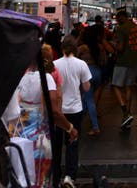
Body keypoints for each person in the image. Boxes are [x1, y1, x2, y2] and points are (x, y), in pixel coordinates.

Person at [15, 47, 76, 188]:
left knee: (24, 178)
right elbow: (54, 112)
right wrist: (70, 128)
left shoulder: (22, 78)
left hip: (20, 137)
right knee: (40, 179)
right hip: (39, 138)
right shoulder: (46, 79)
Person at [53, 39, 92, 188]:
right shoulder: (81, 64)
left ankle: (55, 176)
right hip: (75, 109)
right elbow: (87, 87)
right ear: (75, 49)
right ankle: (70, 176)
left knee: (56, 144)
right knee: (72, 143)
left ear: (62, 48)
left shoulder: (55, 64)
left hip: (59, 110)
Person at [108, 10, 137, 129]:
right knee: (128, 87)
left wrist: (112, 44)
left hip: (122, 61)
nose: (116, 20)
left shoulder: (121, 29)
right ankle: (128, 114)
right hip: (134, 61)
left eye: (117, 18)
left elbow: (121, 48)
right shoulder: (136, 28)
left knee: (116, 85)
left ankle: (125, 112)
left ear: (122, 17)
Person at [75, 39, 101, 137]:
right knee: (87, 99)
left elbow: (74, 56)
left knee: (89, 100)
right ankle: (78, 122)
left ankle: (95, 127)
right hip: (97, 72)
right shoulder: (99, 46)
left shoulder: (83, 47)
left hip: (88, 72)